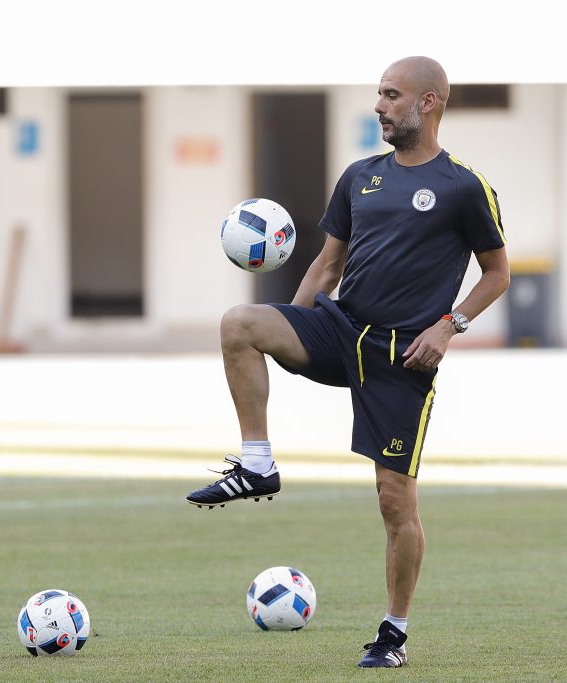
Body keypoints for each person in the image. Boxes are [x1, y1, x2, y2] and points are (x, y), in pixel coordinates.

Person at [187, 55, 510, 668]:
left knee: (395, 502)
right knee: (240, 324)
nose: (381, 105)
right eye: (379, 95)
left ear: (429, 103)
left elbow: (497, 274)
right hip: (341, 329)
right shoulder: (359, 176)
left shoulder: (464, 186)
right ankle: (256, 464)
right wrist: (296, 323)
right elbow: (327, 265)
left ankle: (394, 633)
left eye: (392, 95)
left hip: (402, 360)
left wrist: (448, 327)